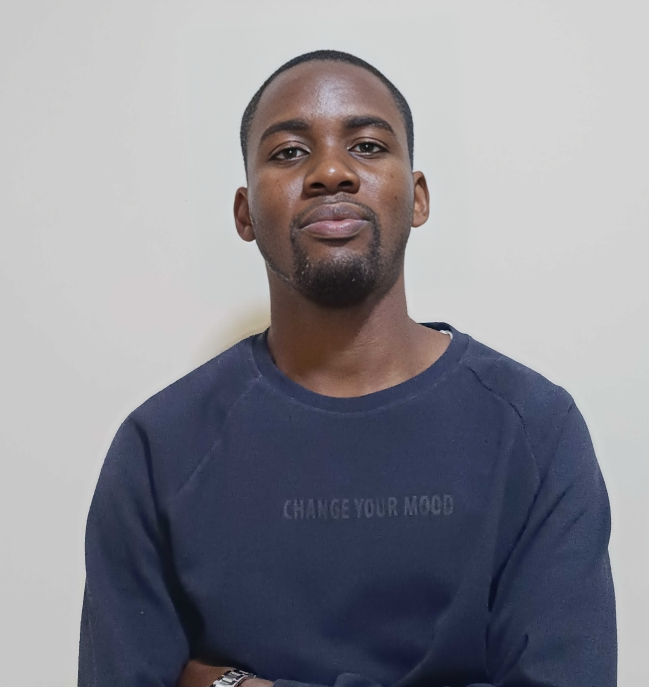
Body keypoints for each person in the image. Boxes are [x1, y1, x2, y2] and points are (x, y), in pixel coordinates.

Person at [78, 50, 616, 687]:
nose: (331, 172)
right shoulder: (160, 449)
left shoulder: (535, 431)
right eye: (288, 153)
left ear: (417, 198)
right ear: (245, 214)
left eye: (366, 146)